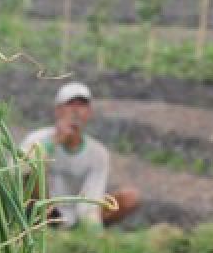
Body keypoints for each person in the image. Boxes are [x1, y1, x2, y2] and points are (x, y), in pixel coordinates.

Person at [19, 81, 141, 228]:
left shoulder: (98, 153)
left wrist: (91, 227)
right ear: (58, 110)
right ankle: (45, 224)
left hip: (78, 214)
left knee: (130, 197)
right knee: (34, 169)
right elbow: (18, 170)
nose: (76, 111)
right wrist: (55, 141)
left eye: (82, 105)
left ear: (89, 113)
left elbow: (92, 194)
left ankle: (82, 230)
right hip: (43, 210)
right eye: (70, 104)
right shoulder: (37, 139)